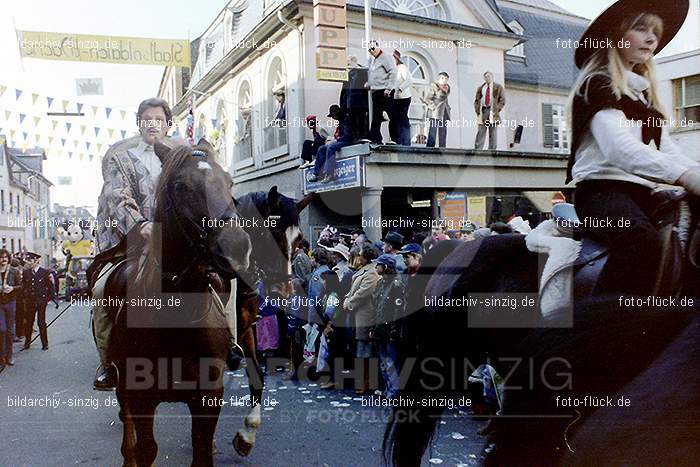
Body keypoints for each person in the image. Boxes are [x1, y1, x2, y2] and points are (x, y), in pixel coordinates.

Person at [567, 1, 699, 296]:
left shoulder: (643, 98)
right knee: (642, 242)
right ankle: (603, 325)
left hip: (644, 194)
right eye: (641, 28)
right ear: (615, 35)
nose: (652, 38)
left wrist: (695, 172)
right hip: (601, 194)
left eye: (656, 32)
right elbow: (620, 150)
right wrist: (686, 177)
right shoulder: (597, 85)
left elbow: (668, 151)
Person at [92, 97, 173, 390]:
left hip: (177, 241)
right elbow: (117, 196)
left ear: (167, 124)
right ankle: (109, 363)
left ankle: (229, 343)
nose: (153, 123)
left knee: (223, 276)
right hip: (132, 243)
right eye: (146, 118)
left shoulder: (181, 155)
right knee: (103, 292)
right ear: (139, 123)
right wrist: (141, 225)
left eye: (158, 119)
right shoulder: (121, 157)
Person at [343, 244, 381, 394]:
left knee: (364, 350)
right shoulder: (364, 270)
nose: (358, 257)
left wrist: (349, 303)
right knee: (361, 349)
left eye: (360, 255)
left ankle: (367, 381)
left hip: (366, 315)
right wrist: (347, 299)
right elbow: (354, 290)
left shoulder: (371, 272)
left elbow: (363, 293)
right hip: (358, 314)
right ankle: (364, 380)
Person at [371, 254, 406, 399]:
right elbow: (376, 306)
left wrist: (394, 331)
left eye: (378, 264)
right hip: (380, 328)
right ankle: (388, 390)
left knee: (391, 362)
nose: (376, 267)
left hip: (390, 329)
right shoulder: (380, 283)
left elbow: (398, 310)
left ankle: (394, 393)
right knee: (384, 362)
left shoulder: (397, 284)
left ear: (385, 267)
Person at [309, 105, 354, 182]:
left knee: (331, 147)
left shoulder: (346, 120)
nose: (333, 118)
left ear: (337, 114)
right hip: (341, 140)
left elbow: (347, 136)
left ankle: (329, 173)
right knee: (322, 148)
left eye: (333, 116)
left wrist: (336, 140)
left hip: (348, 140)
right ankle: (316, 173)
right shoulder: (340, 122)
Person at [21, 252, 55, 351]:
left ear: (36, 261)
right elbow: (24, 286)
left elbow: (50, 286)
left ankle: (45, 343)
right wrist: (24, 297)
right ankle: (27, 343)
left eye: (30, 260)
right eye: (27, 260)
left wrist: (49, 298)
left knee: (41, 322)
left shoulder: (44, 272)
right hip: (30, 301)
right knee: (28, 322)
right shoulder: (26, 272)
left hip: (41, 301)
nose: (28, 263)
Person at [367, 40, 397, 145]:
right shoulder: (374, 60)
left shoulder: (386, 57)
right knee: (376, 116)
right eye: (369, 49)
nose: (371, 51)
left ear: (378, 47)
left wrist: (389, 88)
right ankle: (375, 138)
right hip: (376, 90)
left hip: (384, 90)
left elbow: (393, 72)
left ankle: (394, 138)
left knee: (391, 114)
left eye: (373, 48)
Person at [0, 249, 22, 366]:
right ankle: (2, 356)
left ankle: (9, 356)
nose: (3, 260)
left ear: (8, 259)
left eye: (5, 257)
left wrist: (12, 288)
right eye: (1, 257)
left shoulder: (13, 271)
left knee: (9, 331)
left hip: (10, 302)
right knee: (1, 330)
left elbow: (20, 286)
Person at [474, 71, 505, 150]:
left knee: (493, 131)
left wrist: (497, 109)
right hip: (483, 111)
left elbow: (502, 100)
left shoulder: (498, 87)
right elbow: (477, 100)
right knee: (481, 130)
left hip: (492, 111)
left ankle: (492, 149)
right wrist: (477, 110)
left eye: (489, 76)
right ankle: (478, 149)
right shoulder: (481, 88)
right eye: (486, 77)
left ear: (492, 77)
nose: (487, 78)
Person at [341, 56, 370, 142]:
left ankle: (361, 136)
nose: (348, 66)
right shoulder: (349, 74)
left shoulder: (363, 71)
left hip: (359, 101)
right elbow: (344, 92)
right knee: (354, 121)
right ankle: (356, 137)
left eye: (348, 64)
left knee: (360, 120)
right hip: (351, 102)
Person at [390, 50, 413, 146]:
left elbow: (408, 80)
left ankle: (406, 141)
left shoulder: (402, 68)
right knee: (394, 118)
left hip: (404, 97)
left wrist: (400, 88)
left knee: (403, 118)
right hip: (394, 97)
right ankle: (396, 139)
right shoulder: (391, 69)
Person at [423, 72, 451, 148]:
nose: (444, 80)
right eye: (442, 78)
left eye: (446, 78)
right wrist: (434, 107)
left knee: (443, 131)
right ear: (439, 79)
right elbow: (427, 99)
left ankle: (442, 148)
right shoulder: (434, 86)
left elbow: (445, 99)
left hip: (444, 111)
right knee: (433, 131)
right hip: (435, 112)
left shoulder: (447, 88)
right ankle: (430, 148)